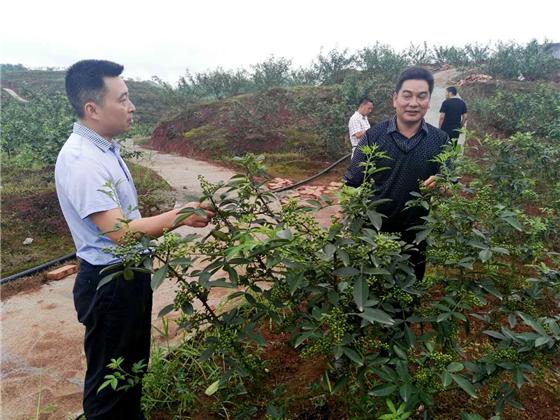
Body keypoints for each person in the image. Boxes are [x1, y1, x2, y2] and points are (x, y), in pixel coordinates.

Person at [55, 59, 215, 419]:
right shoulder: (82, 160)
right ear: (92, 109)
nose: (132, 107)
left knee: (130, 370)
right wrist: (183, 215)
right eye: (123, 99)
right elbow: (120, 231)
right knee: (108, 387)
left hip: (127, 276)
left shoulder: (104, 148)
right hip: (110, 283)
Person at [344, 67, 450, 280]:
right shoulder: (373, 137)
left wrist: (443, 184)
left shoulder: (440, 140)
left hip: (415, 237)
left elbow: (450, 186)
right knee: (371, 293)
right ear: (395, 99)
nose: (413, 103)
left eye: (421, 96)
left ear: (429, 101)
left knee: (409, 296)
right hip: (374, 235)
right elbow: (352, 182)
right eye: (407, 95)